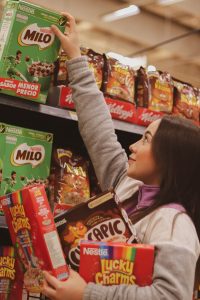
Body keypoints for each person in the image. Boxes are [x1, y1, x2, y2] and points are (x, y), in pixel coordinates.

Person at [42, 12, 200, 300]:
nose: (133, 146)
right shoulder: (126, 187)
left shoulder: (175, 224)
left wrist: (85, 293)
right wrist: (76, 57)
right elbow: (99, 132)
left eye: (146, 139)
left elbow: (170, 297)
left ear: (169, 159)